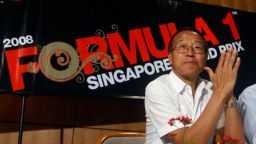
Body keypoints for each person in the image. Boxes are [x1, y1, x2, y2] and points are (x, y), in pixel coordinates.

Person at [144, 27, 245, 144]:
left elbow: (234, 142)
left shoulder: (212, 89)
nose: (190, 53)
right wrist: (221, 92)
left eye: (197, 48)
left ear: (206, 58)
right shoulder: (158, 88)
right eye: (182, 47)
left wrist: (229, 95)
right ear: (170, 58)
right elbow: (188, 142)